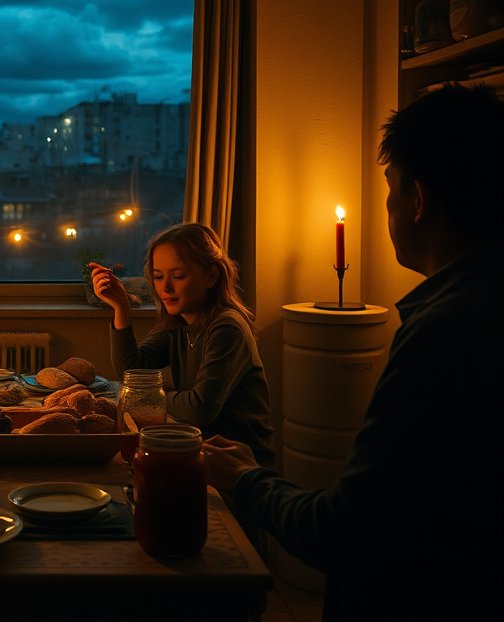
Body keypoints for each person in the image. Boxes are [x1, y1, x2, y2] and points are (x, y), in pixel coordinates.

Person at [204, 85, 504, 622]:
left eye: (389, 189)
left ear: (418, 199)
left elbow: (347, 532)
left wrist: (245, 476)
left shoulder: (444, 334)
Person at [91, 222, 275, 469]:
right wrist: (121, 307)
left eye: (178, 276)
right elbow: (132, 370)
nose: (165, 288)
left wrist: (155, 396)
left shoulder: (227, 328)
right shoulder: (178, 323)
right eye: (158, 277)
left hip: (240, 464)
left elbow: (200, 408)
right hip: (197, 450)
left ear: (211, 276)